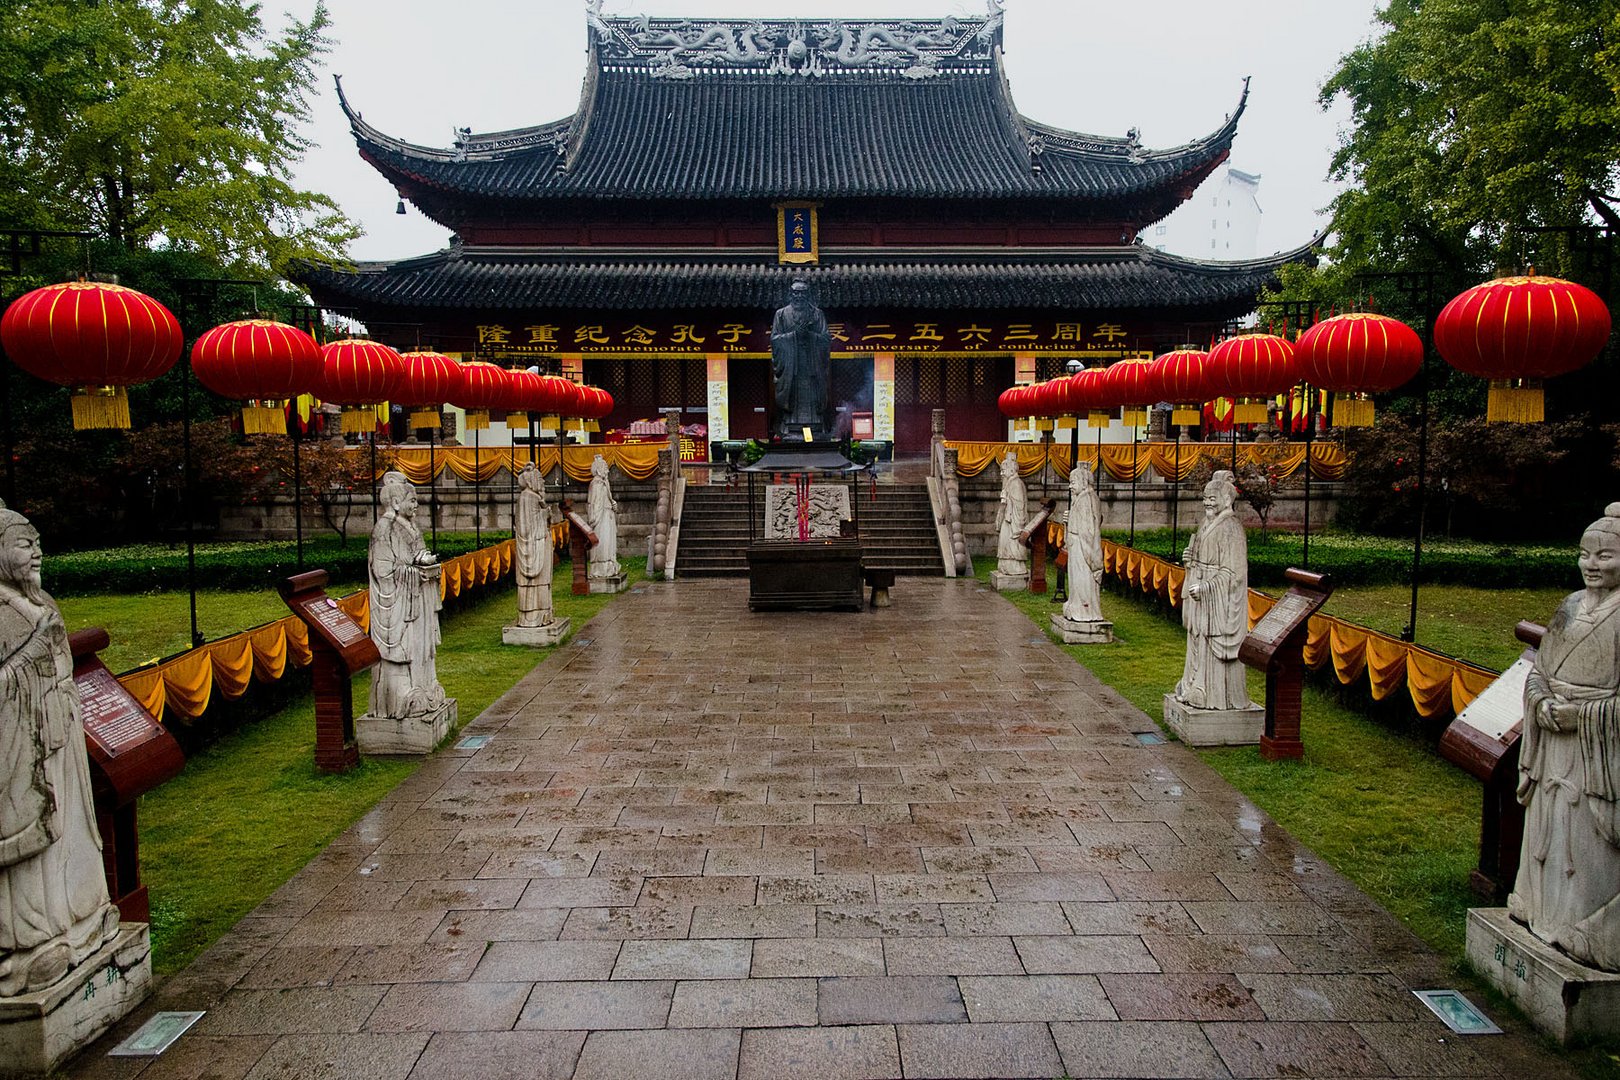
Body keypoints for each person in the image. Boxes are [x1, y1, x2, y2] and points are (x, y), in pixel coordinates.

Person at [0, 500, 119, 997]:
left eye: (38, 544)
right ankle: (35, 940)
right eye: (26, 545)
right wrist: (32, 659)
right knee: (37, 846)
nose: (37, 554)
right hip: (22, 748)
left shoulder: (42, 601)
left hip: (60, 733)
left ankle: (80, 916)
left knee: (71, 831)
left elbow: (64, 661)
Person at [1509, 503, 1620, 971]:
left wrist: (1586, 715)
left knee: (1586, 841)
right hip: (1553, 733)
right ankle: (1536, 908)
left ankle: (1585, 930)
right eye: (1585, 555)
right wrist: (1540, 702)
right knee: (1548, 827)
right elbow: (1539, 671)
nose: (1592, 566)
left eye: (1606, 556)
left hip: (1594, 746)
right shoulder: (1570, 606)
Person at [367, 471, 446, 719]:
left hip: (417, 598)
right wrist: (415, 572)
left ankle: (424, 687)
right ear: (396, 502)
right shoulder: (384, 528)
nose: (416, 505)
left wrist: (426, 566)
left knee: (421, 649)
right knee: (404, 652)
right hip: (401, 601)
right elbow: (383, 570)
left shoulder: (410, 528)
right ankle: (400, 698)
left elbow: (416, 556)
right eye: (412, 500)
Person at [1175, 470, 1253, 710]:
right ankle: (1195, 685)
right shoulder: (1206, 523)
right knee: (1197, 641)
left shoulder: (1231, 528)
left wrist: (1208, 587)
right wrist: (1191, 562)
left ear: (1226, 500)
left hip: (1215, 597)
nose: (1207, 502)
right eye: (1205, 498)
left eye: (1212, 498)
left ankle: (1212, 692)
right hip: (1201, 592)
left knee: (1210, 644)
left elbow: (1234, 573)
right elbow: (1201, 559)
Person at [770, 280, 831, 437]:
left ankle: (816, 426)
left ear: (808, 294)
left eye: (803, 292)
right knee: (792, 394)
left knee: (813, 395)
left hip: (812, 365)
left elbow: (825, 339)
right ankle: (789, 426)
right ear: (791, 294)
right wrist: (794, 335)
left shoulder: (817, 314)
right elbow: (775, 339)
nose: (799, 296)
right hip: (791, 366)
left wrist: (809, 335)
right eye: (796, 292)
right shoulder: (781, 314)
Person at [512, 463, 555, 627]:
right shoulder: (528, 498)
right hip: (533, 545)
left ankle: (543, 612)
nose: (543, 482)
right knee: (536, 583)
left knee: (542, 582)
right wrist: (545, 514)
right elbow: (526, 528)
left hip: (539, 542)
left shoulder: (533, 497)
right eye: (540, 479)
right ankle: (533, 615)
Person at [1063, 462, 1106, 623]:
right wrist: (1068, 522)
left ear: (1082, 482)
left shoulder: (1087, 499)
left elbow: (1089, 533)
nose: (1070, 487)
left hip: (1083, 549)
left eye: (1073, 483)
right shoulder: (1080, 499)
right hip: (1077, 546)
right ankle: (1078, 606)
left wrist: (1093, 559)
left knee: (1082, 580)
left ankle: (1084, 609)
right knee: (1076, 581)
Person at [995, 450, 1029, 577]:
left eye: (1003, 471)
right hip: (1007, 519)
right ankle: (1005, 565)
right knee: (1004, 542)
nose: (1001, 474)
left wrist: (1006, 501)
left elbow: (1019, 506)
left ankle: (1015, 567)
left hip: (1012, 520)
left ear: (1011, 470)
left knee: (1010, 543)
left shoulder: (1016, 484)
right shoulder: (1009, 482)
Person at [586, 454, 621, 580]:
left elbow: (607, 500)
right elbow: (595, 505)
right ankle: (601, 568)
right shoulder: (596, 484)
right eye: (605, 467)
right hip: (601, 518)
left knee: (608, 542)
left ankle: (609, 566)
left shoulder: (604, 483)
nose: (607, 470)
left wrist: (612, 505)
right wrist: (594, 519)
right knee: (603, 542)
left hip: (607, 516)